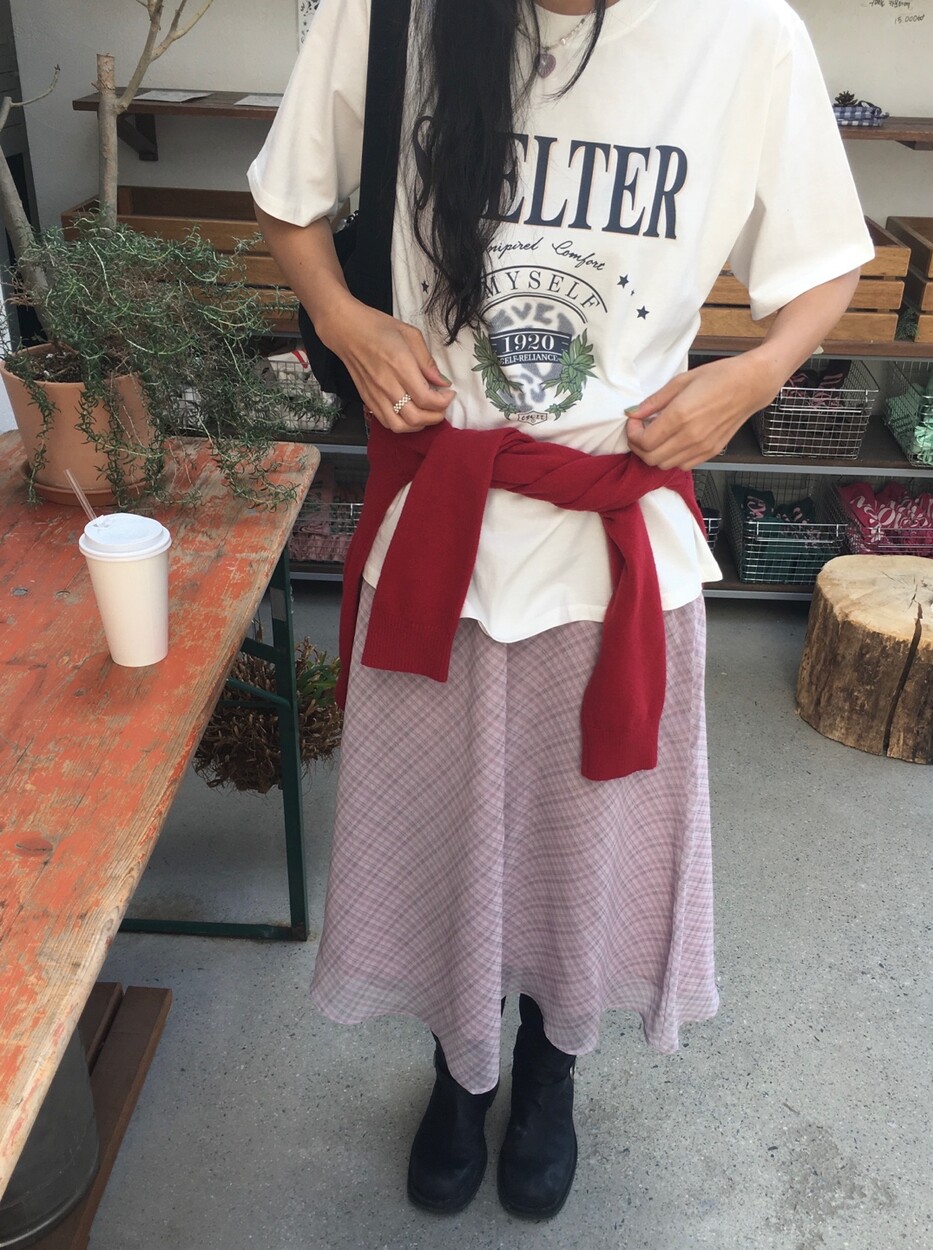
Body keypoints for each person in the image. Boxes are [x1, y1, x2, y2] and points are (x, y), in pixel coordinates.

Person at [249, 0, 874, 1221]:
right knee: (441, 828)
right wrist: (341, 315)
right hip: (442, 533)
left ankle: (548, 1071)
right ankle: (456, 1067)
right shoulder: (392, 16)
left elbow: (823, 258)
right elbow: (289, 198)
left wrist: (751, 376)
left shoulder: (743, 33)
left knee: (585, 839)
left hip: (610, 541)